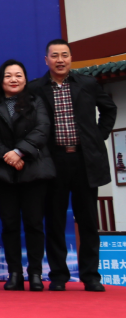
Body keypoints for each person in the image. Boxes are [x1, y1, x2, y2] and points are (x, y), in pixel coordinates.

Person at [27, 39, 117, 291]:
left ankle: (91, 276)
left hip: (84, 160)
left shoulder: (87, 83)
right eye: (55, 55)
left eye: (64, 55)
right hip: (52, 161)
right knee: (54, 220)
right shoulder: (35, 88)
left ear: (71, 58)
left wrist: (97, 136)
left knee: (88, 220)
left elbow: (109, 110)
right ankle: (58, 275)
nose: (60, 60)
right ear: (46, 60)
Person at [0, 60, 54, 291]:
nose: (14, 79)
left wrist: (20, 152)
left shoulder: (35, 101)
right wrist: (8, 155)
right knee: (9, 224)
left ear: (25, 79)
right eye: (8, 75)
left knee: (34, 224)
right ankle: (14, 273)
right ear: (0, 80)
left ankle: (35, 273)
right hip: (3, 172)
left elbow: (42, 129)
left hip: (34, 170)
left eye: (18, 75)